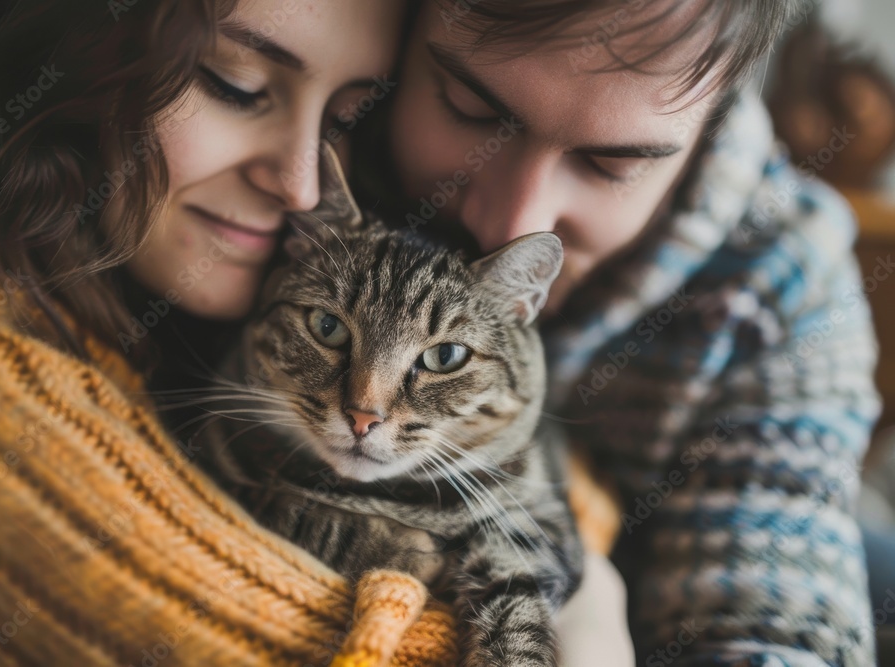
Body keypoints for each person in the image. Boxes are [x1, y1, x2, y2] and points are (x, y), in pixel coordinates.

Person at [0, 1, 471, 665]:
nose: (303, 187)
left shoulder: (191, 344)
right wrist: (569, 590)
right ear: (77, 57)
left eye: (343, 122)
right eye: (237, 86)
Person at [358, 0, 881, 664]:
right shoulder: (324, 130)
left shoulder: (785, 281)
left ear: (708, 128)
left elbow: (776, 626)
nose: (516, 227)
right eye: (470, 109)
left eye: (609, 166)